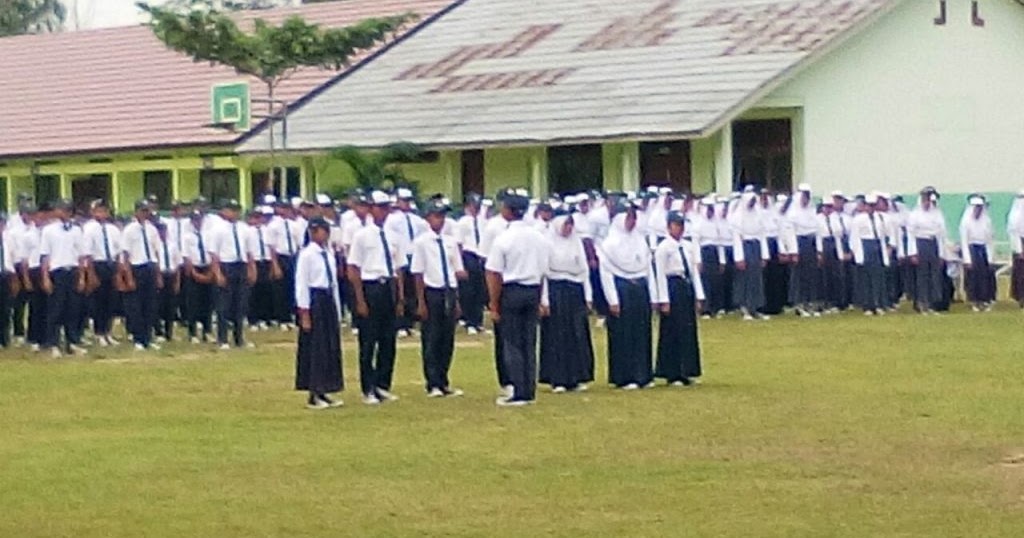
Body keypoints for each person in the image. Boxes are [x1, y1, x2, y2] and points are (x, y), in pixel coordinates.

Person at [485, 189, 549, 407]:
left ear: (507, 211)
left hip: (512, 291)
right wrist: (541, 299)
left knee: (512, 342)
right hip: (533, 290)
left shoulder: (504, 238)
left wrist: (494, 304)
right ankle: (529, 390)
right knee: (529, 342)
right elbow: (543, 271)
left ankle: (518, 391)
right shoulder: (539, 238)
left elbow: (494, 273)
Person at [347, 190, 406, 405]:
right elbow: (353, 268)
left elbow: (399, 268)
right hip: (370, 286)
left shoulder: (393, 236)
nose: (384, 211)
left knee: (388, 340)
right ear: (371, 209)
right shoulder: (362, 235)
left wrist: (400, 297)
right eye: (380, 207)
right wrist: (360, 299)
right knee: (368, 340)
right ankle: (368, 388)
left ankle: (383, 384)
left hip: (388, 286)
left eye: (387, 207)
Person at [599, 200, 657, 390]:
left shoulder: (639, 240)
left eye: (634, 218)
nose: (632, 222)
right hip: (621, 290)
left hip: (640, 290)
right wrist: (612, 300)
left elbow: (648, 269)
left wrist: (653, 296)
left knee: (642, 332)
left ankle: (643, 375)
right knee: (624, 334)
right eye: (629, 218)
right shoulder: (609, 244)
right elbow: (606, 274)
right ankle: (625, 376)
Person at [411, 198, 466, 398]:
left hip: (448, 290)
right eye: (436, 216)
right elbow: (418, 273)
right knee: (432, 338)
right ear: (428, 218)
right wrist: (421, 301)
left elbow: (456, 271)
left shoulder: (450, 242)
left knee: (447, 338)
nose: (440, 220)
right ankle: (433, 382)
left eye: (442, 216)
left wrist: (457, 299)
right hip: (431, 290)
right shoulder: (421, 242)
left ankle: (443, 380)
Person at [539, 209, 595, 394]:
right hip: (556, 290)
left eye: (571, 225)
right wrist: (544, 300)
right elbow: (543, 273)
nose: (568, 229)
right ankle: (558, 379)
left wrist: (588, 296)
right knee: (557, 335)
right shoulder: (547, 242)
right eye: (566, 225)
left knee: (577, 334)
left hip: (575, 290)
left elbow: (584, 270)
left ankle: (578, 376)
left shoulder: (576, 242)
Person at [294, 217, 344, 410]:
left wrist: (337, 309)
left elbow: (334, 283)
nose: (322, 234)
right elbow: (301, 284)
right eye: (318, 231)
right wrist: (304, 313)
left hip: (328, 298)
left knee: (329, 346)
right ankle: (314, 392)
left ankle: (325, 388)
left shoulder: (328, 254)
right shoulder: (307, 255)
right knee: (316, 348)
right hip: (315, 299)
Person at [654, 211, 705, 386]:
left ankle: (687, 370)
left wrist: (699, 295)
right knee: (672, 330)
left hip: (685, 285)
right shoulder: (663, 248)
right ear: (669, 226)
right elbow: (660, 274)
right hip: (672, 286)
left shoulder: (687, 246)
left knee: (687, 329)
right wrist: (663, 299)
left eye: (682, 225)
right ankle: (672, 372)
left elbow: (694, 272)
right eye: (676, 225)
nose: (680, 228)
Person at [39, 199, 89, 357]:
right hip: (57, 272)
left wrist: (82, 277)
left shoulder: (76, 230)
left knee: (73, 309)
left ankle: (72, 341)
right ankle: (53, 343)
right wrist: (45, 278)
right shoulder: (48, 230)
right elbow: (45, 256)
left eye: (67, 210)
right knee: (56, 309)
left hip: (72, 271)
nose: (64, 212)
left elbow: (81, 256)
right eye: (62, 209)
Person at [209, 199, 256, 350]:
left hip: (240, 265)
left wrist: (252, 269)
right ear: (224, 211)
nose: (234, 213)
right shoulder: (217, 229)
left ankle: (239, 338)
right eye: (231, 210)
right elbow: (214, 254)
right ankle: (222, 338)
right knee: (224, 305)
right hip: (226, 265)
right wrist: (218, 273)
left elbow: (249, 251)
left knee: (240, 304)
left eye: (236, 210)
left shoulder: (244, 228)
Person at [121, 199, 162, 351]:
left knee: (150, 305)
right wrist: (129, 277)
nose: (145, 214)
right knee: (136, 306)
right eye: (143, 210)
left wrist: (158, 274)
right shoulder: (129, 230)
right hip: (136, 267)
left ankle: (148, 338)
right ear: (136, 211)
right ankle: (138, 338)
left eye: (147, 211)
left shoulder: (152, 229)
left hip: (150, 266)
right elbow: (125, 255)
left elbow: (156, 252)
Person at [385, 188, 426, 338]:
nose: (406, 203)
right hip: (400, 255)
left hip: (414, 255)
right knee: (400, 290)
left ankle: (410, 321)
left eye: (408, 200)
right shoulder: (392, 219)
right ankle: (400, 323)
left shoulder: (416, 220)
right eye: (403, 200)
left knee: (413, 289)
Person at [82, 199, 122, 346]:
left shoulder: (113, 229)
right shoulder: (89, 228)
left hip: (111, 264)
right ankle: (99, 332)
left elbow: (118, 251)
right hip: (98, 265)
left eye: (104, 210)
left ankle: (108, 332)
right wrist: (91, 273)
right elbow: (88, 253)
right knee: (99, 300)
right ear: (93, 212)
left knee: (111, 300)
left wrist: (118, 272)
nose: (102, 213)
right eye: (99, 210)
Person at [906, 187, 948, 314]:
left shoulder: (937, 213)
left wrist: (942, 253)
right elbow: (911, 234)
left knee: (934, 276)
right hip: (921, 244)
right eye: (925, 198)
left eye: (929, 198)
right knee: (922, 276)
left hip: (933, 244)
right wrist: (913, 253)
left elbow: (941, 234)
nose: (927, 202)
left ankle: (932, 304)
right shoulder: (914, 214)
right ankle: (921, 303)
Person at [730, 191, 770, 321]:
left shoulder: (758, 214)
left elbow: (762, 235)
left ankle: (755, 308)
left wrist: (764, 255)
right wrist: (739, 258)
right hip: (745, 246)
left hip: (756, 247)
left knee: (756, 279)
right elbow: (736, 238)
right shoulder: (738, 216)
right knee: (745, 278)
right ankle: (745, 308)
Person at [849, 194, 890, 316]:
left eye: (873, 205)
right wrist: (858, 254)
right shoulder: (858, 219)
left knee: (877, 277)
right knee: (866, 279)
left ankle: (878, 304)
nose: (871, 208)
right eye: (869, 205)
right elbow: (854, 237)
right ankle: (867, 305)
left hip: (877, 246)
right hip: (865, 246)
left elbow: (884, 235)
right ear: (865, 206)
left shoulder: (880, 218)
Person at [785, 184, 821, 316]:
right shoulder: (793, 213)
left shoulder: (812, 212)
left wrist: (819, 250)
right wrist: (793, 251)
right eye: (803, 197)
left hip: (811, 244)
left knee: (811, 276)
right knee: (799, 276)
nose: (805, 200)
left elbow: (817, 231)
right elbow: (790, 233)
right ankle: (799, 304)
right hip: (799, 243)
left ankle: (809, 303)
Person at [456, 193, 488, 335]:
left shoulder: (483, 221)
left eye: (478, 206)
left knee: (480, 290)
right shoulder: (463, 222)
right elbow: (459, 243)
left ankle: (478, 321)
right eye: (474, 206)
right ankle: (469, 321)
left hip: (481, 256)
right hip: (468, 254)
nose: (476, 209)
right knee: (469, 291)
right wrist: (460, 264)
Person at [182, 210, 215, 343]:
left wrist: (211, 272)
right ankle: (193, 333)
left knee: (207, 302)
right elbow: (186, 256)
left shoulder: (208, 235)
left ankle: (207, 331)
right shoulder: (187, 237)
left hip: (207, 267)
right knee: (193, 303)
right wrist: (194, 274)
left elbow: (212, 253)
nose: (198, 222)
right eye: (195, 220)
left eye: (199, 219)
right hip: (194, 268)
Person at [959, 195, 995, 312]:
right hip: (972, 250)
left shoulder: (986, 221)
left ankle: (984, 300)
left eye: (980, 207)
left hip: (983, 250)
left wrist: (990, 258)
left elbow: (990, 240)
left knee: (984, 277)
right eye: (976, 207)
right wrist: (967, 259)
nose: (978, 210)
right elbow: (964, 241)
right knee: (973, 277)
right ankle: (974, 301)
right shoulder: (966, 221)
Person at [247, 208, 277, 330]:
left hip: (266, 260)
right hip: (255, 261)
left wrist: (273, 264)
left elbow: (271, 247)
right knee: (254, 291)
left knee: (266, 290)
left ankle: (265, 317)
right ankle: (253, 319)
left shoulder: (267, 230)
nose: (257, 220)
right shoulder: (248, 231)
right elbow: (248, 250)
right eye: (254, 217)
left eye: (259, 217)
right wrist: (251, 266)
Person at [154, 222, 182, 342]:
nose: (162, 233)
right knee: (158, 305)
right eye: (160, 231)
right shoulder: (155, 245)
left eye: (164, 230)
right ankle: (158, 331)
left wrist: (177, 281)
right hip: (160, 274)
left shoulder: (172, 245)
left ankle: (169, 332)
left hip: (171, 274)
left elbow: (177, 263)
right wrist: (158, 277)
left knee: (171, 306)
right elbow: (155, 262)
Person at [0, 214, 18, 348]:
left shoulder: (9, 238)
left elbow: (12, 257)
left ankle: (4, 338)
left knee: (5, 308)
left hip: (6, 275)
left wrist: (14, 277)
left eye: (2, 223)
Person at [1008, 190, 1024, 308]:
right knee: (1021, 274)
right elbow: (1014, 233)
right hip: (1020, 245)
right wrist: (1019, 250)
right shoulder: (1015, 215)